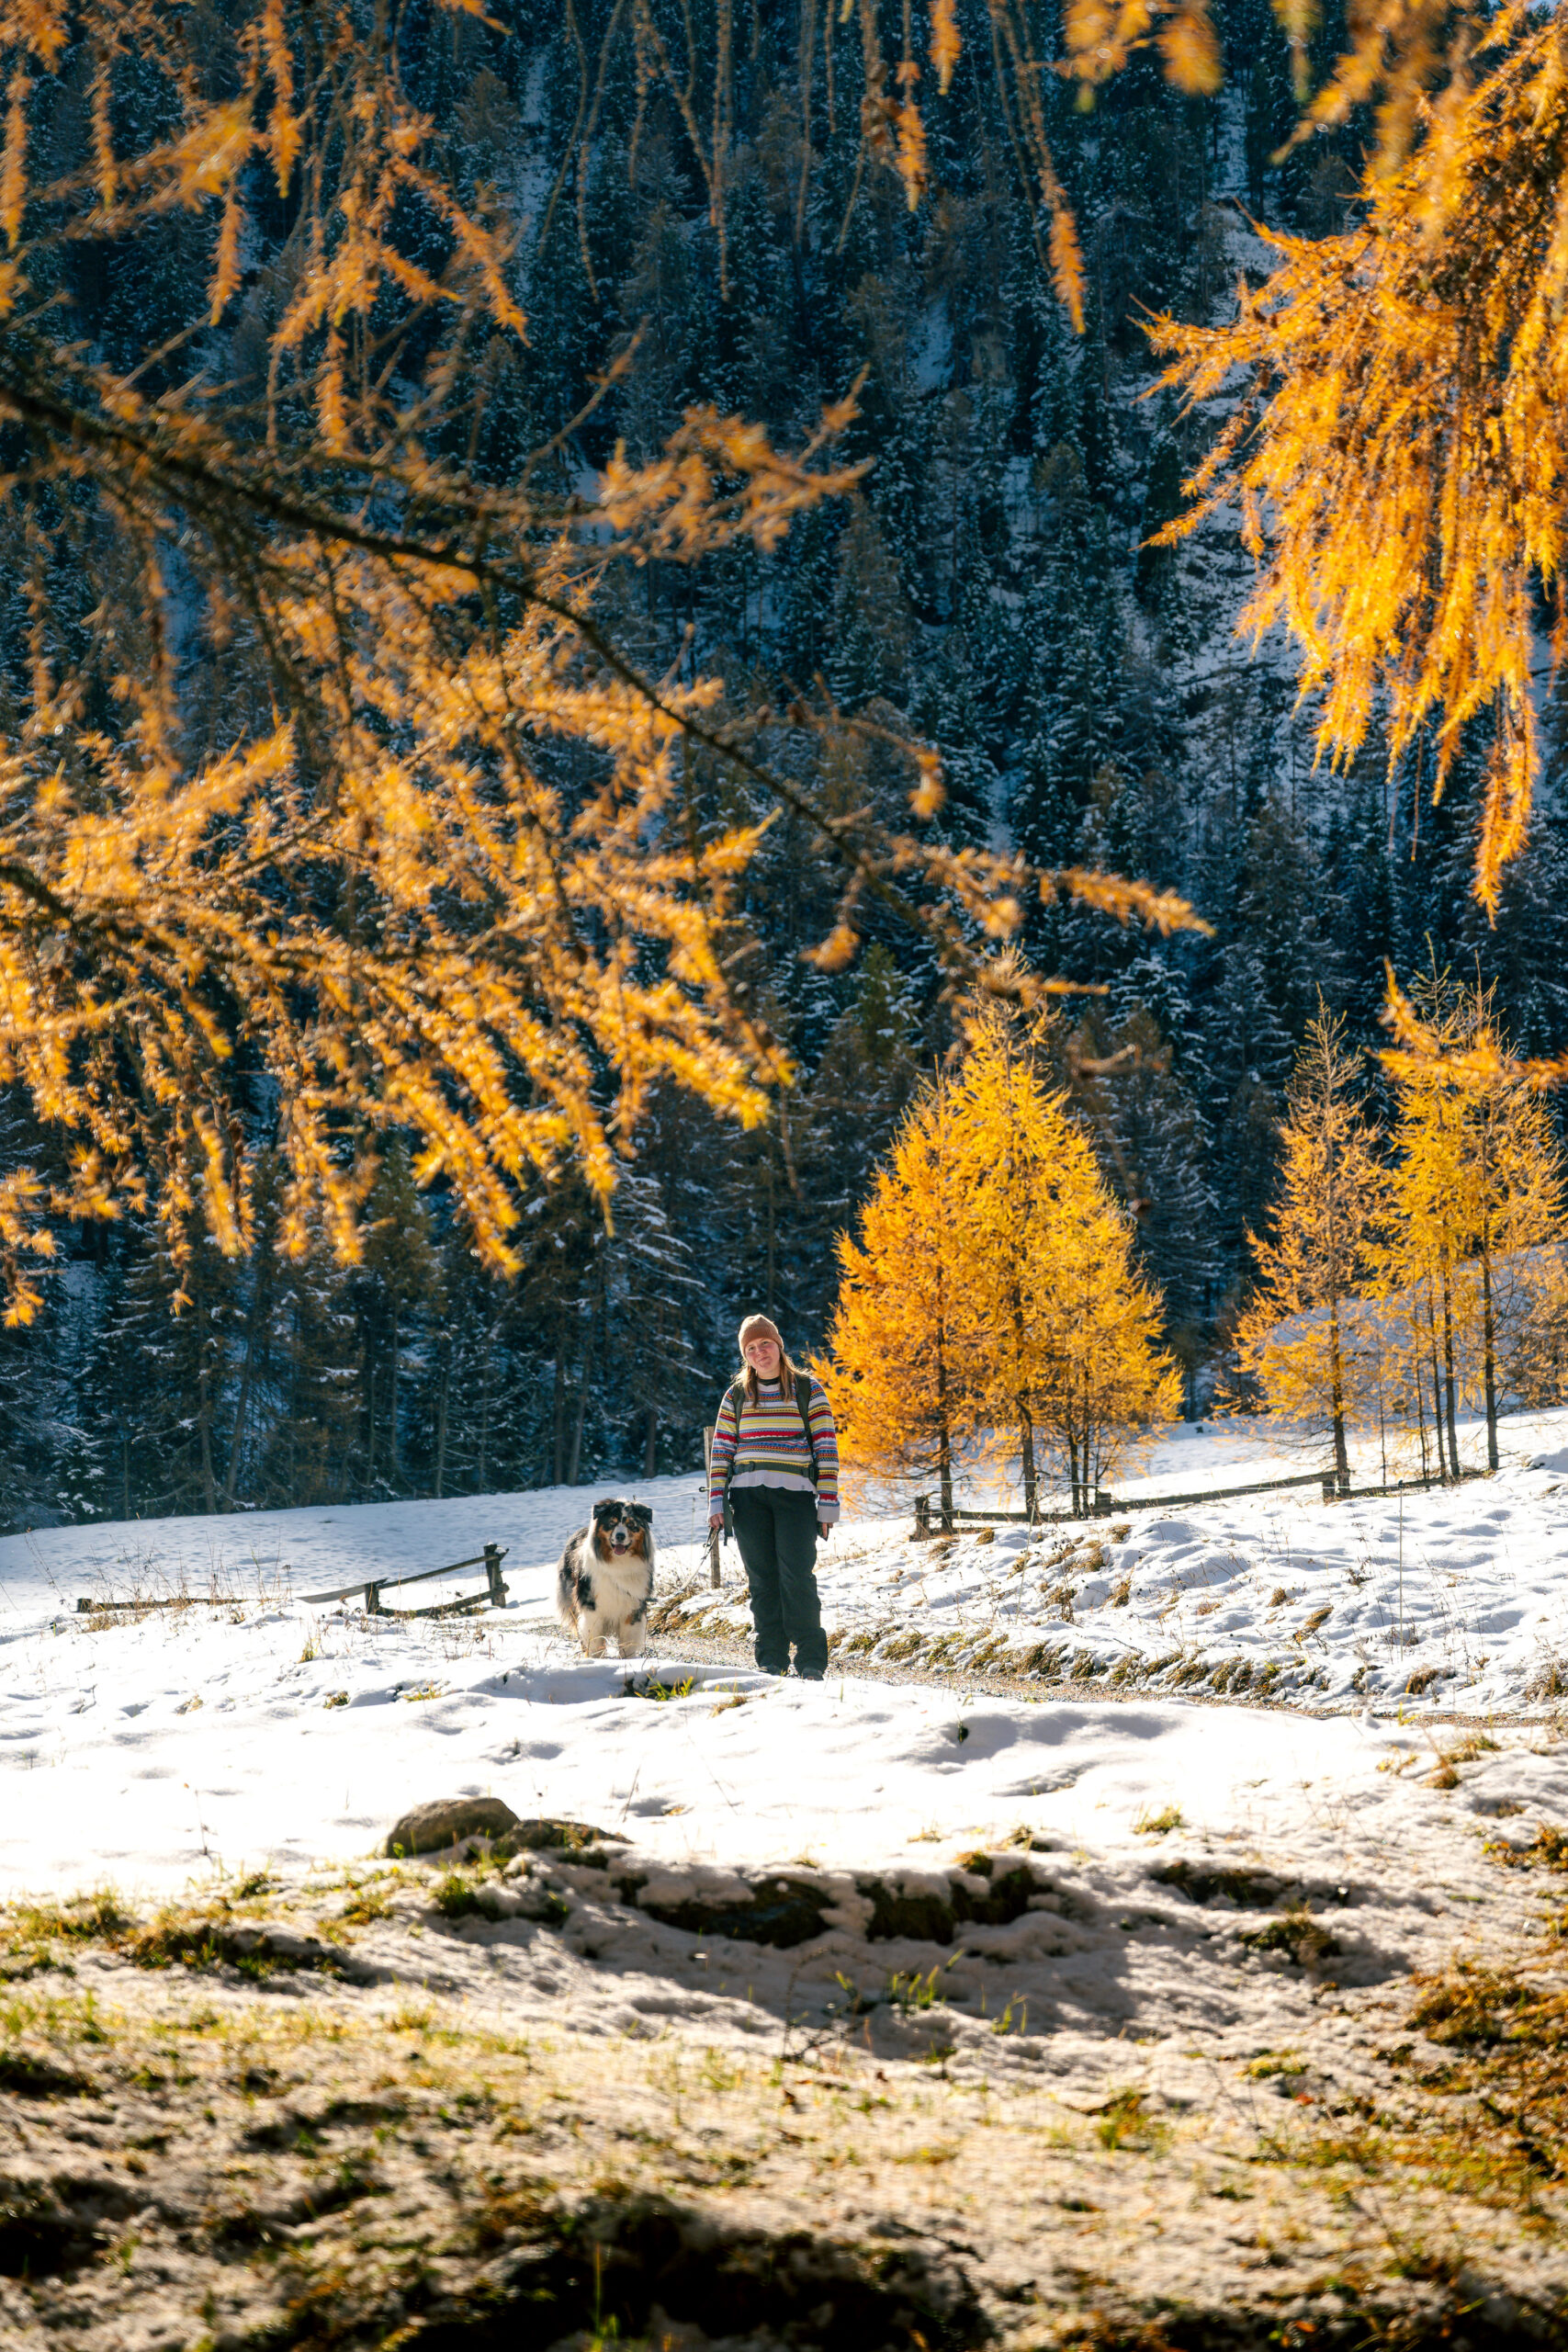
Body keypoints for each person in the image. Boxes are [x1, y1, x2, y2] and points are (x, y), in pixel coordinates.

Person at [707, 1314, 840, 1680]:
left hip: (795, 1498)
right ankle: (771, 1658)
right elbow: (721, 1451)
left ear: (779, 1346)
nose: (759, 1352)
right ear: (745, 1356)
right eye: (750, 1348)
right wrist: (716, 1501)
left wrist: (827, 1502)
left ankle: (811, 1659)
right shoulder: (735, 1395)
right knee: (762, 1579)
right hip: (748, 1500)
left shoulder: (807, 1390)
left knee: (796, 1576)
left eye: (764, 1344)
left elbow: (826, 1448)